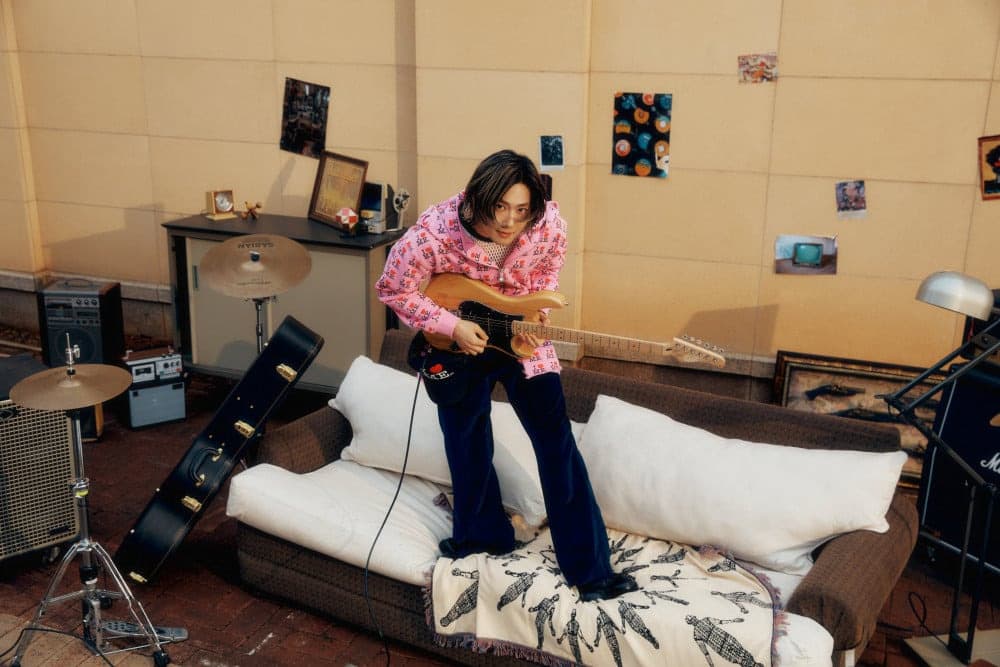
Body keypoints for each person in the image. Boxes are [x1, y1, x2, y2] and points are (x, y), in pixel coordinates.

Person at [375, 149, 636, 602]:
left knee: (557, 445)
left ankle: (591, 571)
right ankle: (482, 537)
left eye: (521, 210)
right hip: (458, 343)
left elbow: (549, 270)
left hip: (521, 341)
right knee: (466, 439)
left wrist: (537, 314)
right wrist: (449, 325)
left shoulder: (549, 224)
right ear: (478, 197)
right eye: (499, 207)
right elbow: (394, 288)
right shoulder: (433, 233)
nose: (509, 221)